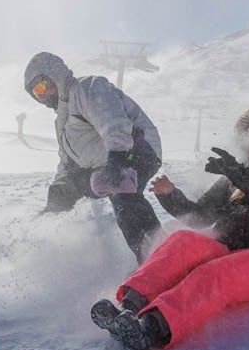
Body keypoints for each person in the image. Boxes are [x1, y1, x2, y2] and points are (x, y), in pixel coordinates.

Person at [90, 102, 249, 350]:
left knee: (216, 273)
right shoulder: (240, 172)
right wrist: (170, 195)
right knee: (182, 241)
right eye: (246, 138)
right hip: (231, 248)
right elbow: (201, 215)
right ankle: (128, 307)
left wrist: (239, 174)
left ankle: (152, 328)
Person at [24, 51, 164, 258]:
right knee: (63, 196)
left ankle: (157, 256)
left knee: (122, 190)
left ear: (55, 74)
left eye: (43, 85)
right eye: (36, 91)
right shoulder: (61, 121)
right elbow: (67, 160)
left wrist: (117, 155)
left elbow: (113, 121)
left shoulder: (86, 88)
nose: (43, 93)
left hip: (136, 150)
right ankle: (35, 249)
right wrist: (61, 187)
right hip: (105, 164)